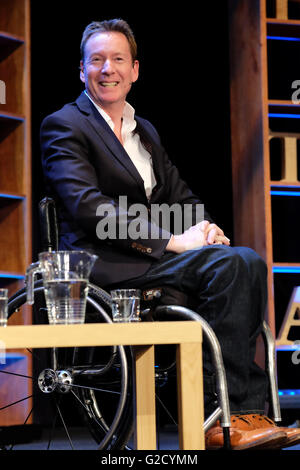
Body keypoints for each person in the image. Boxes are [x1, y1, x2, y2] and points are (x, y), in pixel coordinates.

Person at [40, 18, 300, 450]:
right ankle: (222, 417)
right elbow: (89, 207)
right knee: (238, 265)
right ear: (82, 70)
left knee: (241, 259)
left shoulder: (145, 132)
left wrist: (206, 226)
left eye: (118, 59)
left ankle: (242, 415)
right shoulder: (65, 124)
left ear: (134, 70)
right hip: (106, 267)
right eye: (97, 60)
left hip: (154, 263)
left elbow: (177, 196)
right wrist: (172, 241)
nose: (108, 69)